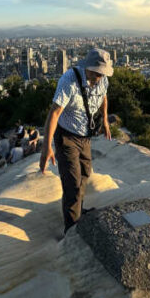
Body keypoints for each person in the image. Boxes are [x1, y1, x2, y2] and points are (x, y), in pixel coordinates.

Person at [40, 48, 113, 233]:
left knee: (85, 175)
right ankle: (72, 229)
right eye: (95, 73)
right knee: (72, 182)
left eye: (101, 73)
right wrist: (46, 147)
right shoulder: (69, 81)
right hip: (66, 136)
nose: (98, 77)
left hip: (85, 136)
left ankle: (78, 211)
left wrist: (104, 120)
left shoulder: (102, 79)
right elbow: (54, 113)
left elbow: (104, 97)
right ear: (86, 67)